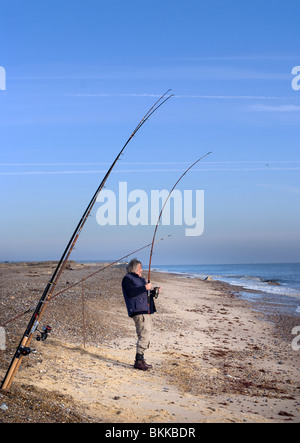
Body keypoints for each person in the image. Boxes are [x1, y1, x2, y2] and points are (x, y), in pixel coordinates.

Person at [121, 258, 161, 371]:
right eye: (140, 268)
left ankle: (141, 359)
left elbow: (145, 294)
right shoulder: (127, 279)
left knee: (144, 334)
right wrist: (145, 287)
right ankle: (138, 361)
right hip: (138, 310)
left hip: (145, 310)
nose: (141, 270)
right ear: (134, 268)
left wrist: (154, 291)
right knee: (144, 334)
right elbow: (131, 293)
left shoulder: (141, 279)